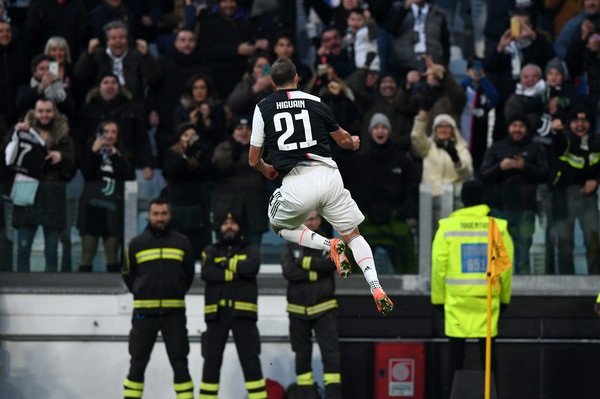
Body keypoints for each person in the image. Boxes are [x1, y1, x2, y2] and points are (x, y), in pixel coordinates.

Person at [248, 58, 393, 315]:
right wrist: (354, 142)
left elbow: (252, 159)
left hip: (295, 183)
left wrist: (265, 168)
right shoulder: (315, 102)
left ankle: (329, 246)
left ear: (272, 83)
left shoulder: (263, 107)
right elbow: (344, 140)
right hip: (328, 176)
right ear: (296, 79)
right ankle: (375, 286)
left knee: (279, 225)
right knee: (353, 234)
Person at [431, 180, 514, 398]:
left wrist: (438, 299)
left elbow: (438, 266)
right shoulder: (498, 227)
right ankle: (491, 394)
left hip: (456, 303)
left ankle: (452, 393)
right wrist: (504, 298)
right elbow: (505, 268)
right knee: (488, 356)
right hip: (486, 301)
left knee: (455, 355)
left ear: (463, 201)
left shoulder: (447, 228)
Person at [121, 198, 195, 399]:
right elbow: (128, 274)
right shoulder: (137, 244)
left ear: (170, 215)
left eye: (164, 213)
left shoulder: (182, 242)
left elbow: (188, 275)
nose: (160, 218)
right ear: (148, 216)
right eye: (156, 214)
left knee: (180, 364)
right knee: (137, 363)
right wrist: (141, 290)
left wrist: (177, 290)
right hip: (144, 314)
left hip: (174, 314)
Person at [199, 211, 267, 399]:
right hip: (216, 315)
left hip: (243, 314)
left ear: (240, 227)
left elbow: (251, 268)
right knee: (211, 363)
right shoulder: (210, 250)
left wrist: (224, 264)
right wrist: (236, 270)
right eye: (225, 223)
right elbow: (207, 273)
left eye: (233, 223)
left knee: (250, 363)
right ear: (219, 227)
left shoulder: (251, 249)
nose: (229, 226)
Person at [5, 98, 76, 272]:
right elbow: (6, 157)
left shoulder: (64, 138)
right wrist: (13, 132)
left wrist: (62, 158)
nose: (44, 115)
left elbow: (72, 168)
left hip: (52, 194)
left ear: (54, 113)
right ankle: (22, 288)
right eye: (41, 111)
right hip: (25, 189)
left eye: (48, 111)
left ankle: (52, 289)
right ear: (34, 113)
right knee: (23, 249)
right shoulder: (22, 131)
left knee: (51, 250)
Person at [281, 211, 342, 399]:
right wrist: (315, 270)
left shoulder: (332, 243)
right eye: (306, 218)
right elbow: (289, 271)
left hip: (324, 308)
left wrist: (304, 262)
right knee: (301, 357)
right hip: (297, 310)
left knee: (331, 357)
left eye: (313, 218)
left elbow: (331, 265)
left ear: (320, 219)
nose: (309, 221)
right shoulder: (291, 242)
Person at [480, 113, 548, 274]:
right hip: (499, 209)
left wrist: (525, 167)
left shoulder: (536, 148)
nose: (517, 129)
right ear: (508, 127)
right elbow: (483, 174)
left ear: (526, 129)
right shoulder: (496, 148)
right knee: (499, 256)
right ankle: (501, 294)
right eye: (514, 125)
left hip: (526, 209)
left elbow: (544, 174)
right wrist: (500, 167)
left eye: (521, 126)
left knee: (523, 254)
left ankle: (523, 296)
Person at [549, 106, 600, 274]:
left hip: (589, 200)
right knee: (564, 243)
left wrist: (596, 180)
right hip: (564, 198)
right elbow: (559, 146)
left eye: (584, 121)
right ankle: (566, 285)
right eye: (575, 121)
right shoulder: (564, 140)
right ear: (569, 124)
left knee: (594, 241)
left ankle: (596, 285)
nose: (580, 125)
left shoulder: (597, 143)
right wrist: (557, 133)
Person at [77, 120, 133, 272]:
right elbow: (87, 173)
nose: (109, 135)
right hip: (91, 208)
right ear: (98, 134)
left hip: (112, 208)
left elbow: (127, 177)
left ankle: (113, 290)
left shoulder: (123, 154)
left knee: (112, 253)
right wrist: (94, 152)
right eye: (106, 131)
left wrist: (115, 155)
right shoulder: (89, 150)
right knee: (87, 251)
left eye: (113, 132)